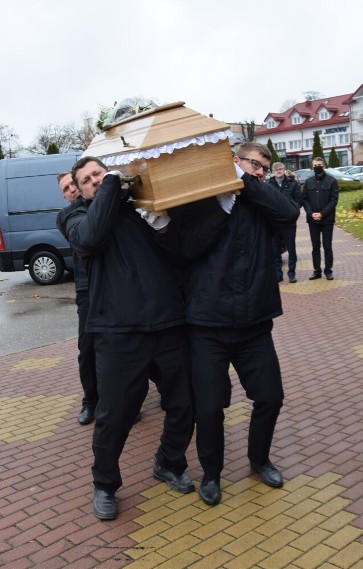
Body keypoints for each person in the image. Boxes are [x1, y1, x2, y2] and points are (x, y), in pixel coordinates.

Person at [167, 142, 300, 506]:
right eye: (252, 164)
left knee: (271, 397)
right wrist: (221, 209)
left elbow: (290, 214)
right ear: (234, 161)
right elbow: (185, 248)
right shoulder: (205, 198)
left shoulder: (261, 198)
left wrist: (247, 183)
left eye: (263, 167)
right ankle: (211, 474)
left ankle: (259, 459)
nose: (259, 171)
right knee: (209, 407)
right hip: (208, 324)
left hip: (254, 323)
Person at [62, 157, 195, 520]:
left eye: (99, 174)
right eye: (87, 180)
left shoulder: (140, 207)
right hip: (118, 332)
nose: (94, 181)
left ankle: (169, 462)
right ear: (81, 190)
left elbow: (181, 254)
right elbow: (90, 238)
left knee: (185, 403)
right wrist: (109, 187)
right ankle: (104, 484)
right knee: (114, 414)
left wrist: (165, 226)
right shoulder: (75, 217)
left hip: (167, 324)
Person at [56, 173, 96, 425]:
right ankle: (91, 402)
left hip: (117, 285)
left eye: (74, 184)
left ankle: (127, 399)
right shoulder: (69, 215)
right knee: (88, 349)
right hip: (87, 289)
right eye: (66, 188)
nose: (72, 190)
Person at [300, 157, 339, 280]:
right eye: (315, 165)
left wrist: (322, 214)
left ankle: (328, 271)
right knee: (315, 246)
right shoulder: (308, 181)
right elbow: (304, 199)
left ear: (324, 166)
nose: (317, 167)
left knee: (327, 246)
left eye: (319, 165)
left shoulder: (332, 181)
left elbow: (333, 200)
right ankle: (317, 270)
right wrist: (311, 213)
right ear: (312, 167)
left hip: (327, 219)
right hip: (312, 220)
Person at [266, 162, 301, 283]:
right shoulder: (268, 184)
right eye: (276, 169)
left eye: (280, 169)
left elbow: (298, 200)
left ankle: (292, 273)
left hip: (289, 223)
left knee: (291, 249)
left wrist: (292, 210)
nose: (278, 171)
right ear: (272, 171)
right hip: (274, 224)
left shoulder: (293, 184)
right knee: (275, 250)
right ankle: (278, 274)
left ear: (284, 170)